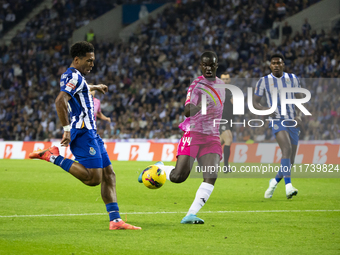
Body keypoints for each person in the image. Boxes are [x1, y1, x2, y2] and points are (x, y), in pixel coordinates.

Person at [29, 41, 141, 230]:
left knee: (109, 175)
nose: (92, 64)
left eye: (93, 60)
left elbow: (80, 88)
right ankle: (52, 156)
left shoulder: (75, 77)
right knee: (93, 178)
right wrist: (66, 129)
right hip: (82, 132)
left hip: (92, 132)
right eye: (88, 60)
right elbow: (60, 101)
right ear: (77, 59)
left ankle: (115, 220)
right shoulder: (72, 76)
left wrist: (95, 87)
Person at [138, 51, 225, 224]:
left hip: (212, 136)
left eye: (211, 65)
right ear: (201, 66)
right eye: (205, 65)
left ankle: (190, 214)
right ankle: (158, 168)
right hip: (193, 133)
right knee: (179, 177)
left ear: (216, 65)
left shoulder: (222, 85)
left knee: (211, 175)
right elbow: (187, 111)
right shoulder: (196, 86)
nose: (208, 68)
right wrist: (201, 104)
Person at [253, 53, 304, 199]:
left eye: (279, 63)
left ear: (283, 65)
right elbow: (255, 102)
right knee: (286, 149)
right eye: (273, 63)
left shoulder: (293, 79)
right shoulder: (263, 81)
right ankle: (288, 186)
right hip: (276, 120)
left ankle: (274, 182)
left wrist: (299, 115)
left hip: (292, 121)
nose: (276, 65)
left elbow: (299, 98)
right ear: (270, 65)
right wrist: (266, 110)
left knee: (291, 160)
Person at [219, 73, 233, 172]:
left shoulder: (229, 91)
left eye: (227, 79)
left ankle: (203, 159)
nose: (225, 81)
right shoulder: (219, 91)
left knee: (219, 143)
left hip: (228, 120)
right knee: (228, 139)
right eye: (224, 79)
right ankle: (226, 167)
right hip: (221, 119)